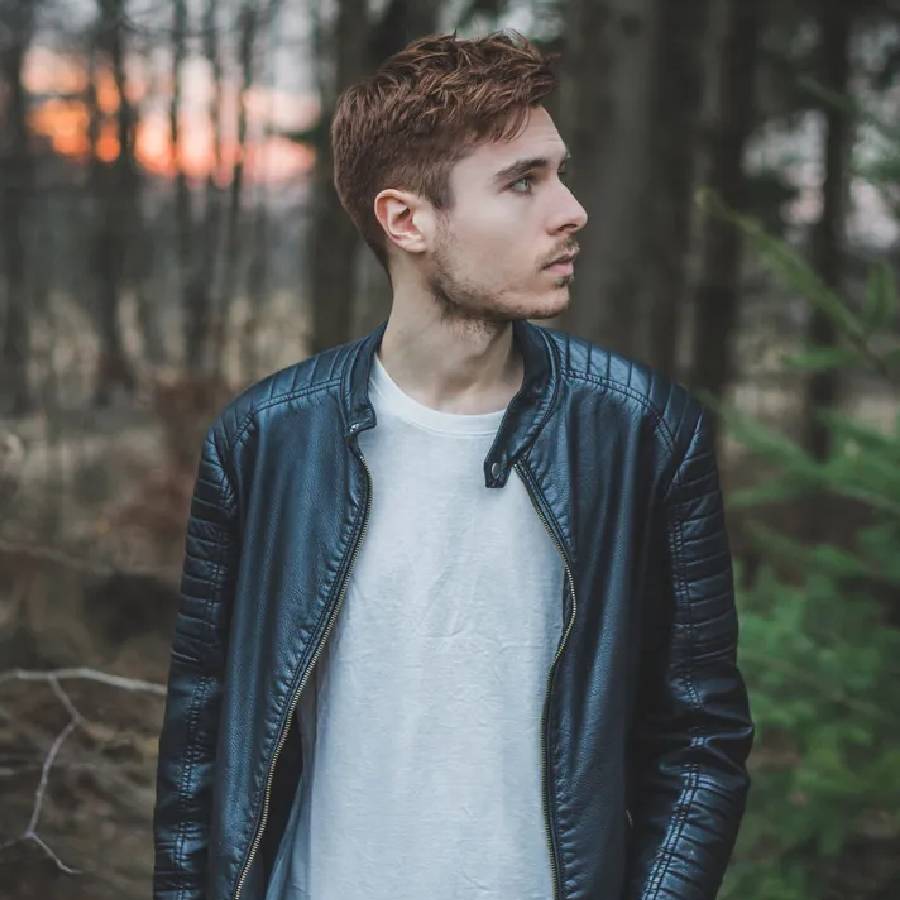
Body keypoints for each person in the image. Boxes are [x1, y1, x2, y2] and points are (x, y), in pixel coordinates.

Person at [152, 29, 754, 900]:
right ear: (407, 220)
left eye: (559, 172)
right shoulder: (263, 443)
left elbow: (701, 743)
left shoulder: (643, 434)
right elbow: (199, 749)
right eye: (522, 183)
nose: (571, 209)